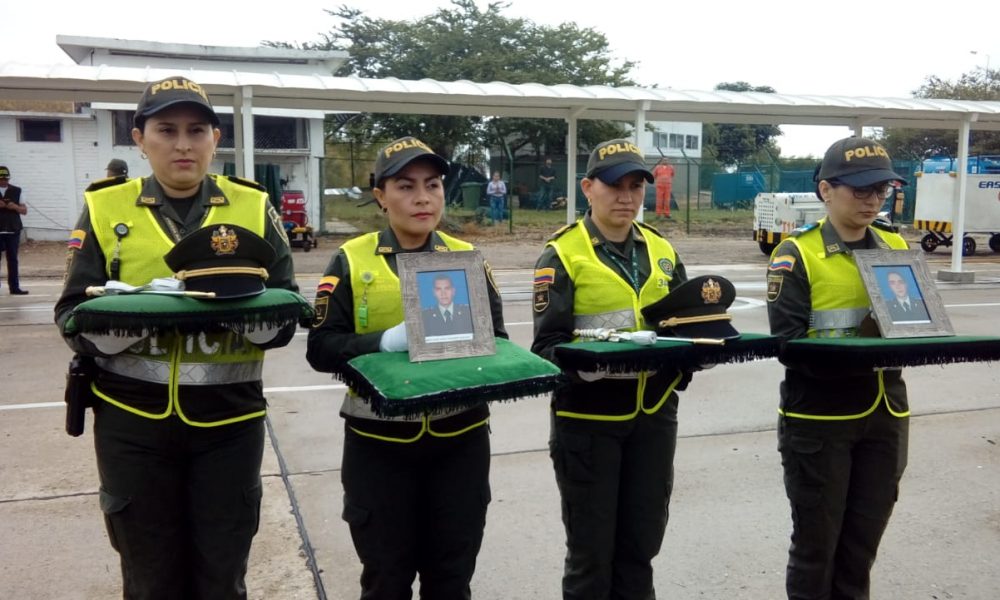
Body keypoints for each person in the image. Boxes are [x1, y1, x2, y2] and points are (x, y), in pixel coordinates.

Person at [53, 76, 298, 599]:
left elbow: (287, 303)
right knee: (149, 577)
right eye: (166, 130)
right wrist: (118, 326)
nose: (183, 144)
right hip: (131, 422)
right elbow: (70, 312)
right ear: (139, 138)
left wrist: (246, 317)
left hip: (230, 421)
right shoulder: (103, 207)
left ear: (216, 138)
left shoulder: (253, 206)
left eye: (197, 130)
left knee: (222, 574)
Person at [305, 136, 508, 599]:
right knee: (385, 581)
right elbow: (321, 348)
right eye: (405, 186)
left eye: (433, 185)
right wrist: (383, 342)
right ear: (380, 195)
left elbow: (499, 342)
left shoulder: (467, 258)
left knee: (452, 579)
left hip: (460, 443)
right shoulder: (351, 260)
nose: (422, 198)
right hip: (378, 448)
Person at [531, 138, 693, 599]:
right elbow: (545, 346)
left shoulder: (662, 250)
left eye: (636, 185)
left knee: (640, 548)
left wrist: (683, 367)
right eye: (614, 185)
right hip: (589, 423)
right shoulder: (562, 254)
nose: (626, 197)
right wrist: (594, 365)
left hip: (654, 417)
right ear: (587, 187)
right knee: (591, 556)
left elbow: (685, 327)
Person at [766, 136, 910, 600]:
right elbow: (788, 345)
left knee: (861, 546)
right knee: (817, 548)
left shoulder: (894, 244)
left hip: (885, 416)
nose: (872, 200)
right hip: (820, 420)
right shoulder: (795, 255)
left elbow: (913, 321)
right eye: (860, 190)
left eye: (881, 191)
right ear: (826, 190)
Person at [0, 165, 29, 295]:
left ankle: (14, 287)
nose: (4, 181)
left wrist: (15, 207)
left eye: (6, 179)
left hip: (13, 229)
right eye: (1, 179)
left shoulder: (17, 191)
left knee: (13, 259)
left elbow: (24, 211)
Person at [421, 272, 474, 337]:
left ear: (453, 291)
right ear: (434, 292)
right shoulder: (425, 317)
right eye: (438, 289)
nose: (443, 293)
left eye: (447, 288)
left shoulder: (468, 313)